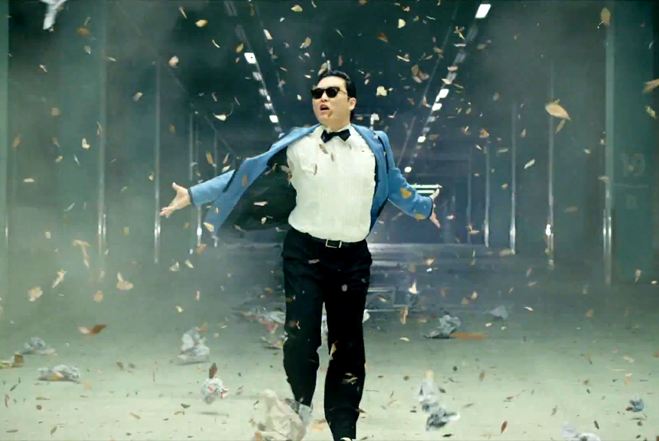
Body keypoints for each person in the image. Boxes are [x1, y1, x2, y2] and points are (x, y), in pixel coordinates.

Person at [161, 70, 440, 441]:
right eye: (316, 92)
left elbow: (395, 185)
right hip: (304, 253)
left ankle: (344, 431)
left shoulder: (376, 144)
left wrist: (424, 206)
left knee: (348, 347)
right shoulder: (298, 144)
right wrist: (194, 194)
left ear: (351, 102)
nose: (322, 97)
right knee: (300, 338)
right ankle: (301, 407)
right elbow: (244, 175)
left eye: (332, 92)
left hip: (353, 259)